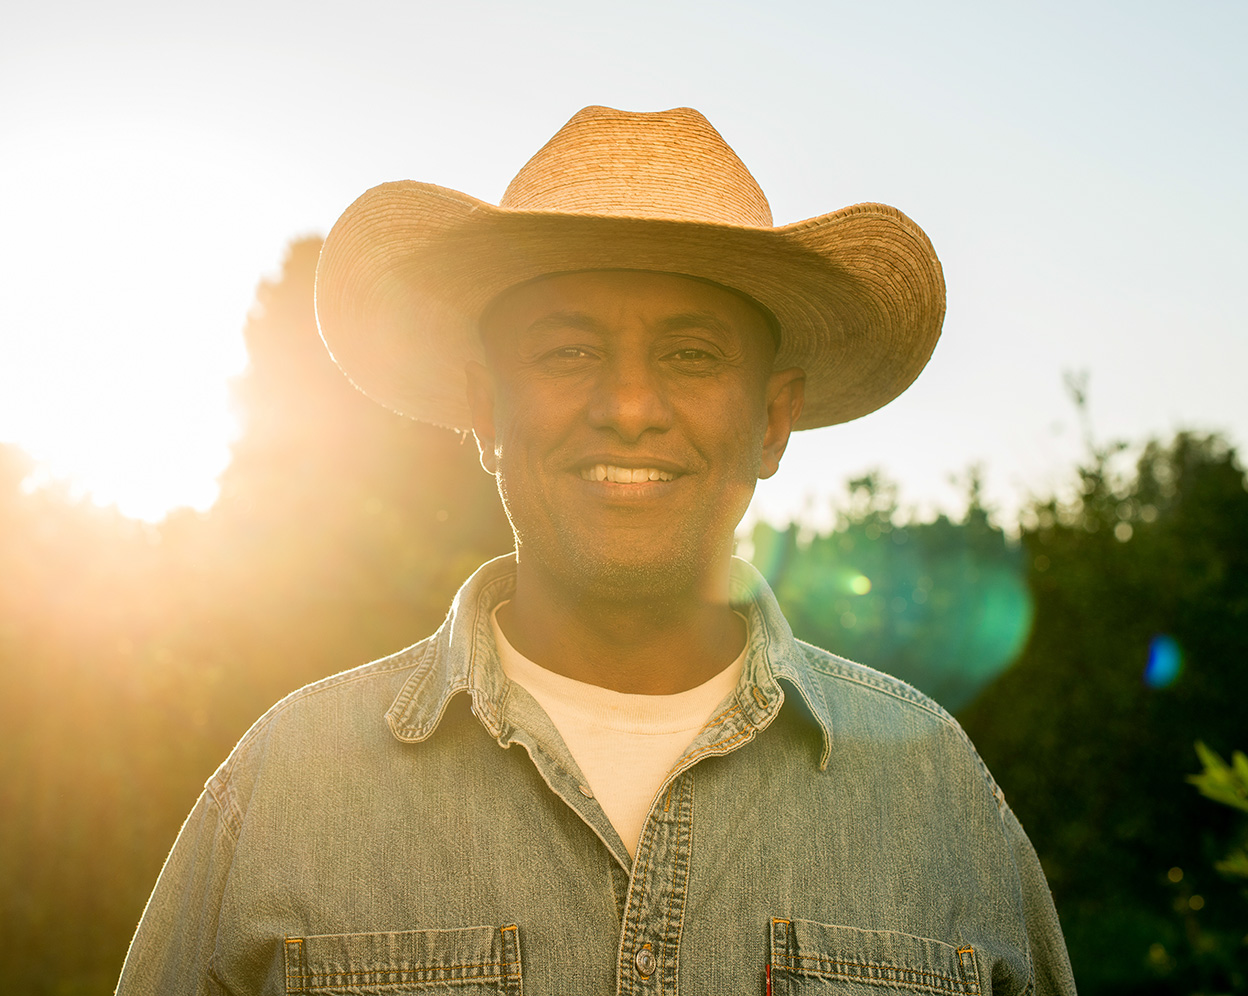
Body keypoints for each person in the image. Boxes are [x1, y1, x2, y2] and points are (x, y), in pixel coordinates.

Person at [117, 106, 1076, 995]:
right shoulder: (287, 786)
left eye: (692, 354)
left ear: (774, 420)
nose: (626, 407)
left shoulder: (934, 793)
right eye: (567, 351)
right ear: (485, 409)